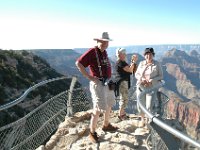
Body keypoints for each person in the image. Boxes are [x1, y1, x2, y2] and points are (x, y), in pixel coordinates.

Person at [75, 32, 118, 143]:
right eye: (102, 41)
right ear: (97, 41)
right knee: (98, 109)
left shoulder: (104, 52)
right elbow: (79, 63)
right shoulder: (92, 52)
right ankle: (92, 132)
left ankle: (106, 124)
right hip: (98, 84)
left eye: (106, 42)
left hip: (107, 83)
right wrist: (89, 76)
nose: (104, 43)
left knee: (109, 104)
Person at [135, 47, 163, 124]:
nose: (148, 56)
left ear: (153, 55)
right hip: (141, 87)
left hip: (151, 88)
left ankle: (148, 122)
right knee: (140, 105)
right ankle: (142, 120)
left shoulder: (157, 64)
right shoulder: (141, 63)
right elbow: (136, 74)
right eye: (147, 54)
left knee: (149, 106)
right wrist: (141, 79)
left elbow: (161, 76)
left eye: (150, 54)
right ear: (144, 55)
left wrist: (153, 80)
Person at [115, 48, 138, 121]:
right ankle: (121, 115)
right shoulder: (120, 62)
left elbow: (130, 70)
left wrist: (132, 62)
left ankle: (122, 113)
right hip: (122, 82)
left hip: (123, 82)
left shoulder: (122, 62)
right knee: (124, 99)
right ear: (119, 54)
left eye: (125, 53)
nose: (125, 54)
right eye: (123, 53)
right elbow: (130, 70)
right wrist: (133, 61)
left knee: (124, 98)